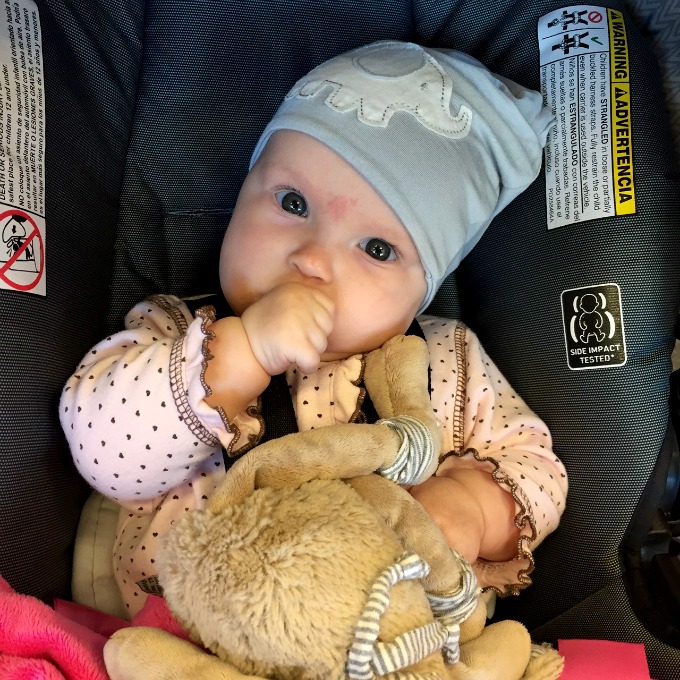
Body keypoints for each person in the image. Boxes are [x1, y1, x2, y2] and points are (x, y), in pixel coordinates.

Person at [60, 41, 567, 618]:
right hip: (184, 633)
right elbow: (103, 454)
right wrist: (241, 355)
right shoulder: (178, 334)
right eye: (293, 203)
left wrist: (469, 509)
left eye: (377, 249)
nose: (313, 260)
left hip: (387, 641)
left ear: (423, 289)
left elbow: (536, 469)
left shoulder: (445, 359)